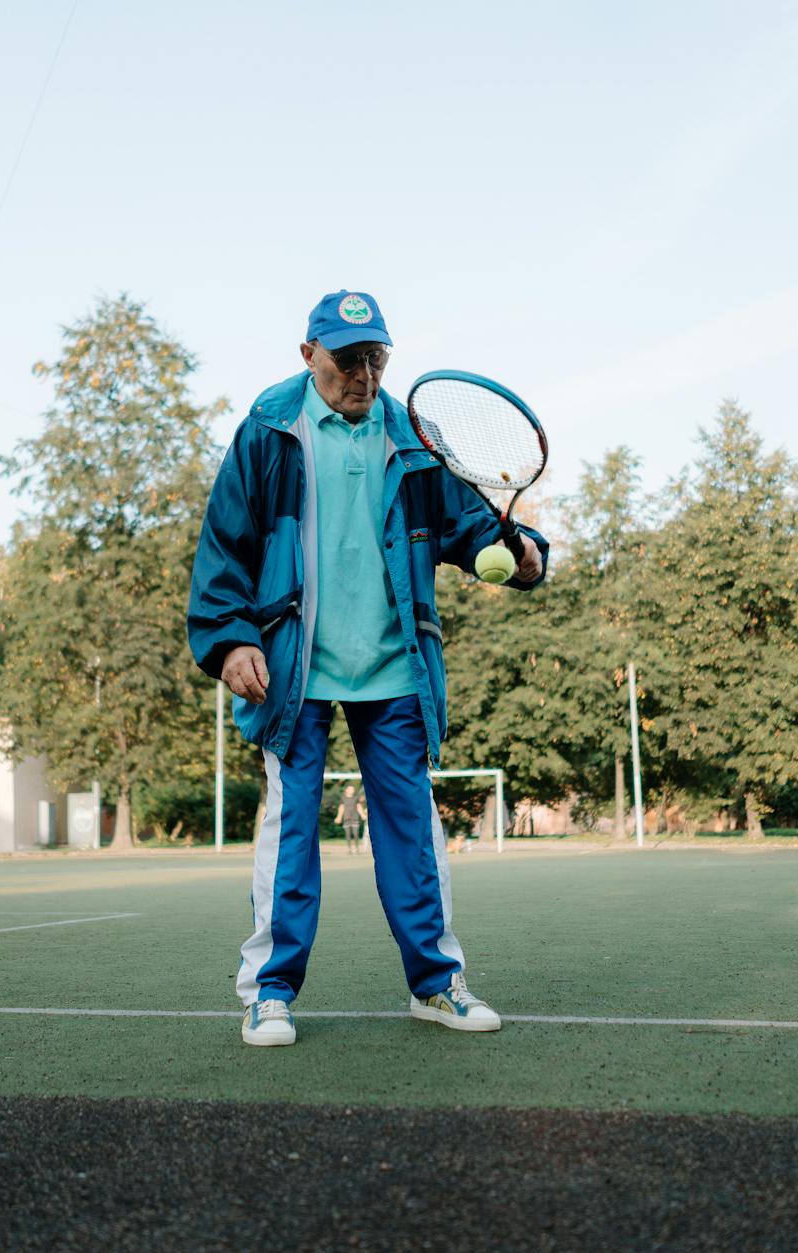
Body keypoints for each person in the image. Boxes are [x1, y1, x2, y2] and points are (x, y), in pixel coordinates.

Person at [187, 290, 548, 1048]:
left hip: (395, 664)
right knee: (289, 833)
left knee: (412, 830)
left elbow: (473, 523)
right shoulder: (268, 426)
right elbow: (227, 541)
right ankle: (270, 993)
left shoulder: (412, 432)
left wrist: (521, 554)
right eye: (348, 358)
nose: (364, 373)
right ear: (307, 354)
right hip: (296, 663)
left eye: (377, 358)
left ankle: (437, 983)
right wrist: (229, 640)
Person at [335, 783, 365, 855]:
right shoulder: (343, 798)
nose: (352, 790)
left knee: (356, 834)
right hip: (346, 818)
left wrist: (362, 815)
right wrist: (339, 817)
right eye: (350, 789)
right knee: (347, 834)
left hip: (355, 817)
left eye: (353, 789)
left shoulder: (356, 798)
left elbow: (359, 807)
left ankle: (357, 848)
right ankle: (349, 849)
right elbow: (341, 808)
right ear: (346, 790)